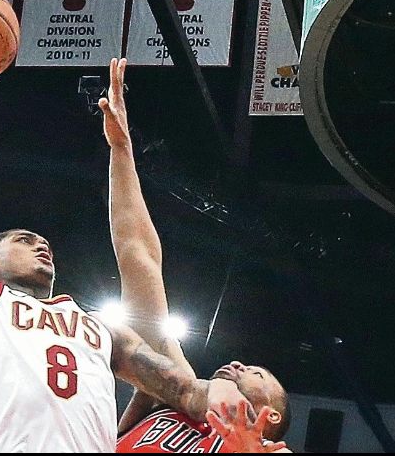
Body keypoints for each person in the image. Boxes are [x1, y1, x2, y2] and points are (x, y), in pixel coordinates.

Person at [0, 13, 252, 453]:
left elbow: (183, 389)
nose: (41, 243)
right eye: (23, 239)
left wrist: (217, 395)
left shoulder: (102, 332)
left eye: (40, 240)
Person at [97, 57, 291, 453]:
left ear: (269, 414)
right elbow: (139, 258)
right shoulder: (179, 391)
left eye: (256, 373)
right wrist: (121, 148)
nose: (238, 364)